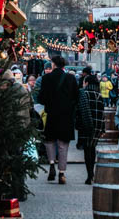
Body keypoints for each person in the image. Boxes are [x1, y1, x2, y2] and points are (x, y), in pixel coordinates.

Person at [38, 56, 79, 185]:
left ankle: (51, 164)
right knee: (63, 145)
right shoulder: (71, 78)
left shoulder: (46, 78)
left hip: (52, 114)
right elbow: (76, 97)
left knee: (49, 141)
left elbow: (41, 98)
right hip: (66, 116)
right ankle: (62, 173)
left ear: (54, 64)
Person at [77, 74, 105, 185]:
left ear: (87, 83)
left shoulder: (83, 94)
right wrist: (103, 128)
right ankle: (91, 173)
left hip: (86, 124)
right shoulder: (99, 95)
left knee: (87, 150)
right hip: (97, 126)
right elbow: (102, 114)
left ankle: (89, 175)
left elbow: (81, 110)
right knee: (92, 148)